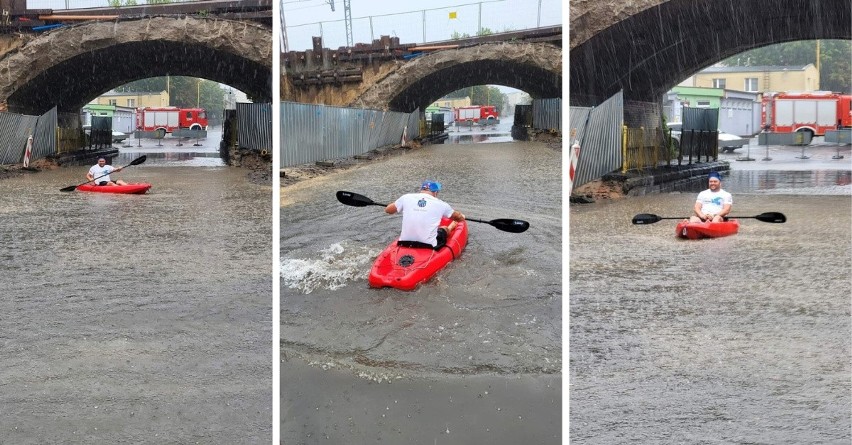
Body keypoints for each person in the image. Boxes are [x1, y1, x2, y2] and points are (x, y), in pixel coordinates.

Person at [385, 180, 465, 249]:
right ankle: (451, 226)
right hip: (428, 245)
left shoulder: (406, 197)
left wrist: (400, 204)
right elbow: (459, 218)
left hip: (404, 242)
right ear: (436, 192)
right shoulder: (441, 204)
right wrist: (462, 216)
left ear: (422, 189)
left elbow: (388, 210)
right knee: (444, 228)